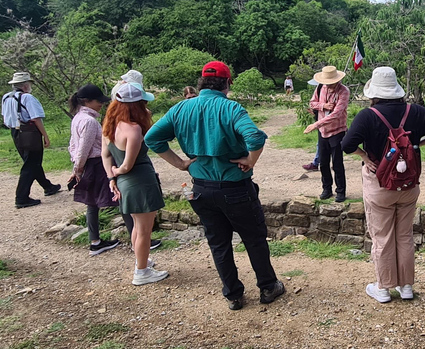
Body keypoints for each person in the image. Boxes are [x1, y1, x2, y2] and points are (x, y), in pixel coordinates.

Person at [144, 61, 284, 310]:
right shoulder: (231, 108)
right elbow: (254, 136)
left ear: (201, 83)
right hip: (235, 188)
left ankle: (233, 294)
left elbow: (152, 138)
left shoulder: (181, 109)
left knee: (218, 243)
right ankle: (267, 287)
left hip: (200, 189)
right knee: (254, 239)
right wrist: (250, 160)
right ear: (228, 83)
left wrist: (181, 163)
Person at [341, 67, 425, 303]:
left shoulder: (367, 115)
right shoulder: (416, 111)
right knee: (404, 235)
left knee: (382, 237)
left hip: (380, 185)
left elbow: (346, 144)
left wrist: (366, 157)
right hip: (409, 184)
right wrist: (417, 146)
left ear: (375, 92)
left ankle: (383, 288)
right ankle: (407, 287)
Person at [102, 82, 169, 285]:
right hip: (140, 181)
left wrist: (111, 177)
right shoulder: (134, 130)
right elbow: (127, 164)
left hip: (124, 183)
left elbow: (105, 156)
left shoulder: (109, 127)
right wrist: (118, 170)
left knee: (136, 227)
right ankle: (141, 272)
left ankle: (142, 261)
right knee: (145, 230)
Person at [68, 84, 120, 256]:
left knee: (92, 203)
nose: (101, 104)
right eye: (98, 101)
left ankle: (95, 241)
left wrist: (76, 167)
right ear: (87, 101)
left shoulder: (77, 118)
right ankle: (140, 239)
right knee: (118, 197)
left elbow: (73, 146)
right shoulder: (89, 122)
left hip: (87, 164)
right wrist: (78, 169)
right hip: (96, 163)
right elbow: (84, 148)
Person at [2, 71, 61, 208]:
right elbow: (35, 118)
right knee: (31, 164)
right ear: (25, 85)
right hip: (29, 132)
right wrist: (45, 135)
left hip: (15, 131)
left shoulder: (6, 97)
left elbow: (5, 117)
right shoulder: (27, 98)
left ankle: (48, 186)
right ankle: (21, 198)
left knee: (31, 161)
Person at [304, 66, 349, 202]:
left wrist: (315, 125)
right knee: (323, 163)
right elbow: (312, 103)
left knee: (337, 163)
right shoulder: (320, 88)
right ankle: (326, 189)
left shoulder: (344, 91)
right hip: (322, 132)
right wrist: (323, 106)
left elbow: (337, 114)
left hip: (337, 131)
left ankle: (340, 191)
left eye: (331, 82)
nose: (328, 85)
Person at [302, 79, 322, 172]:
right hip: (321, 122)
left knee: (322, 144)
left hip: (326, 123)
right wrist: (314, 112)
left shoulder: (325, 93)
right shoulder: (319, 92)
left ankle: (315, 163)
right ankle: (316, 163)